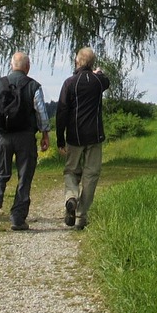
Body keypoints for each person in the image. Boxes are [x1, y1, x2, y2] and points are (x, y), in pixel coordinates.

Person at [0, 51, 50, 231]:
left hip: (2, 136)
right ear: (27, 67)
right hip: (26, 137)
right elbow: (41, 112)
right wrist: (45, 134)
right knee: (25, 177)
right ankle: (18, 218)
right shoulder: (33, 86)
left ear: (12, 65)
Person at [55, 46, 110, 231]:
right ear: (92, 63)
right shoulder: (98, 82)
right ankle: (81, 216)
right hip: (94, 135)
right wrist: (99, 73)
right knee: (91, 175)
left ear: (77, 61)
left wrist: (60, 139)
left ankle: (71, 197)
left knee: (71, 171)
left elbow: (62, 111)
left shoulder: (69, 83)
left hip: (74, 136)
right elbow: (106, 81)